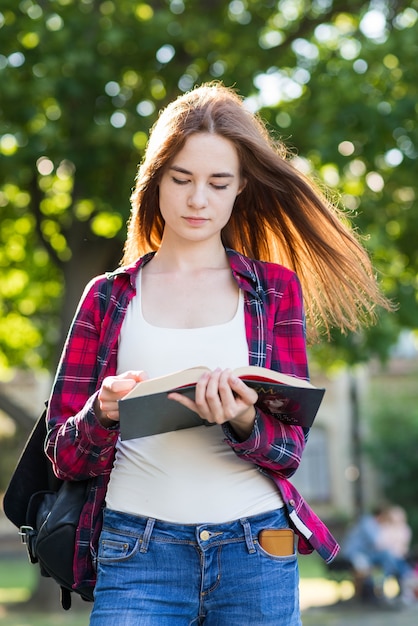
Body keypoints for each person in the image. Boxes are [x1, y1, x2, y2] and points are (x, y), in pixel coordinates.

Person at [45, 82, 392, 625]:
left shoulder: (274, 291)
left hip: (259, 549)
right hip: (137, 552)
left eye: (217, 182)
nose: (197, 199)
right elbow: (64, 455)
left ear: (240, 189)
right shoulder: (107, 297)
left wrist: (243, 418)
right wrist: (103, 412)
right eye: (181, 179)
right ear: (155, 181)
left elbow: (290, 453)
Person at [341, 508, 414, 603]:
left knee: (388, 558)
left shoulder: (374, 525)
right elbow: (377, 543)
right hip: (353, 554)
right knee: (385, 558)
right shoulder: (368, 523)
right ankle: (403, 575)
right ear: (380, 516)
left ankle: (391, 579)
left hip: (364, 555)